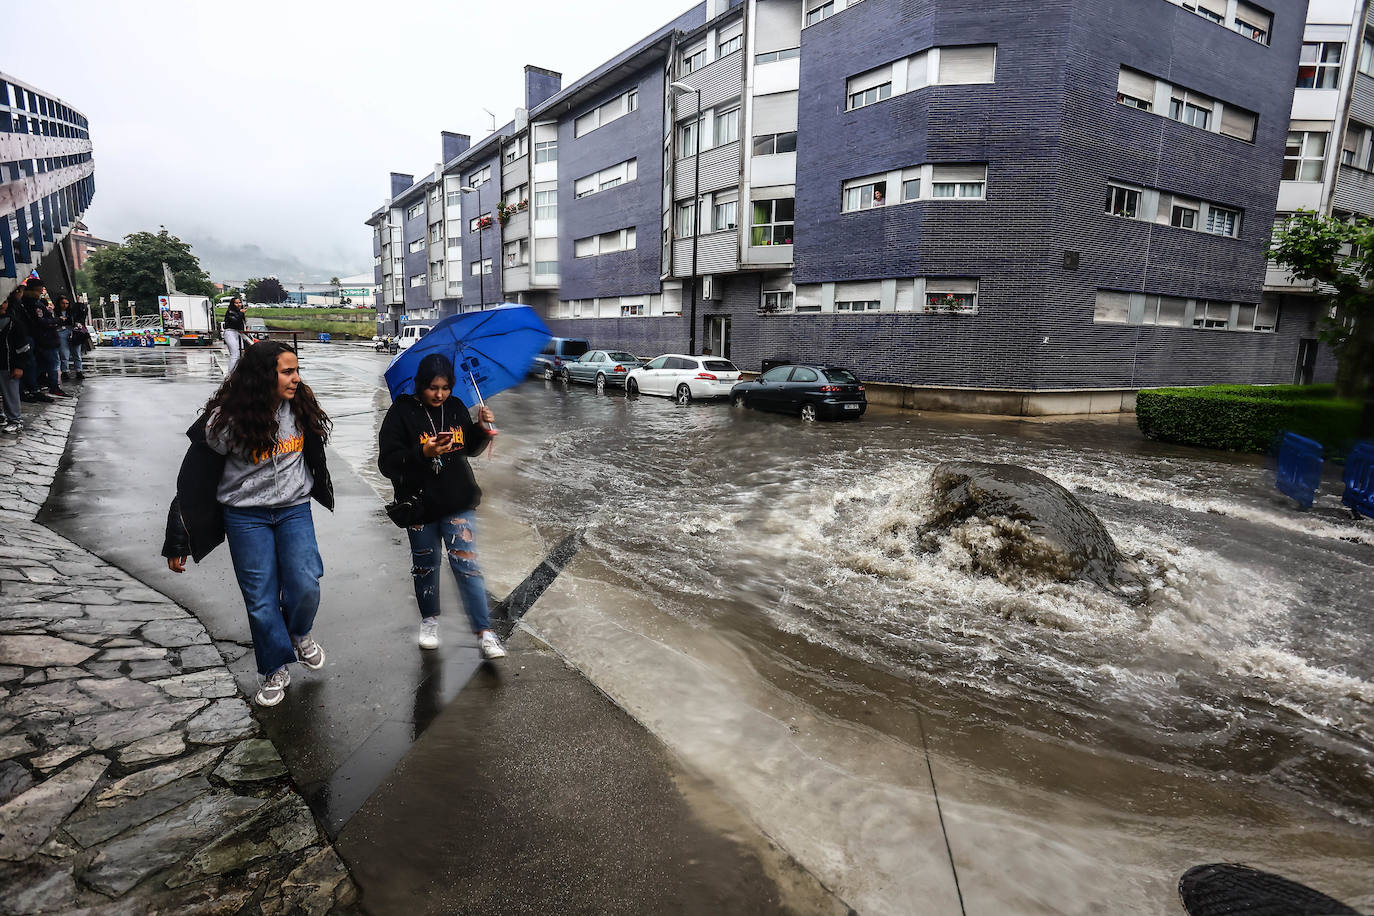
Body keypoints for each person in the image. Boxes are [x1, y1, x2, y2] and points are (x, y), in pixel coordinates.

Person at [162, 341, 335, 707]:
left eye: (296, 370)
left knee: (306, 583)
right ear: (262, 376)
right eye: (287, 372)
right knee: (260, 599)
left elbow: (315, 454)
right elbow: (194, 480)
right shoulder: (225, 422)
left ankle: (299, 635)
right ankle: (273, 668)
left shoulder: (300, 407)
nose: (296, 378)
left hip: (293, 509)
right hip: (245, 516)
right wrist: (178, 537)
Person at [378, 353, 506, 658]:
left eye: (445, 387)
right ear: (421, 384)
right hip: (419, 506)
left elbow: (469, 450)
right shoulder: (402, 412)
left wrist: (482, 428)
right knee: (425, 566)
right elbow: (387, 463)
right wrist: (423, 451)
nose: (440, 394)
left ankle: (484, 632)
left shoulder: (457, 406)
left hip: (458, 501)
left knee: (468, 567)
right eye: (433, 388)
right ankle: (430, 621)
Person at [20, 280, 66, 399]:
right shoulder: (34, 303)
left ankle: (32, 385)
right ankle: (52, 386)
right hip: (45, 338)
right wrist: (57, 321)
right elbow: (41, 321)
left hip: (41, 337)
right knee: (52, 363)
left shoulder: (30, 302)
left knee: (41, 364)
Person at [0, 290, 30, 433]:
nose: (1, 304)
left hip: (9, 366)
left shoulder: (14, 323)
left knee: (10, 393)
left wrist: (19, 366)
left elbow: (23, 348)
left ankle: (15, 420)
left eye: (4, 301)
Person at [222, 296, 248, 374]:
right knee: (235, 353)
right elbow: (235, 321)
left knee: (241, 353)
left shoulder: (239, 312)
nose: (239, 304)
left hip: (239, 333)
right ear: (233, 304)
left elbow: (242, 323)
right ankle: (230, 373)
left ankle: (238, 372)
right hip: (230, 332)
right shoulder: (230, 312)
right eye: (236, 303)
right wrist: (241, 313)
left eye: (240, 302)